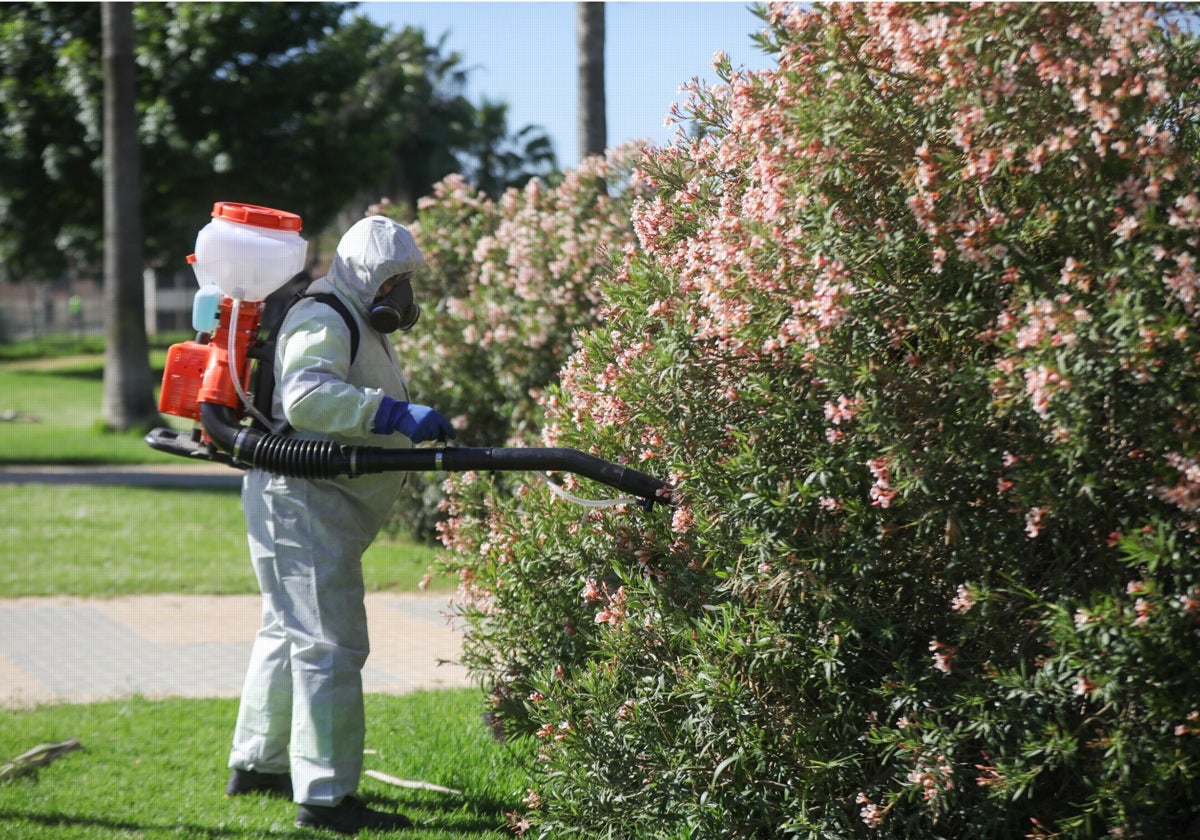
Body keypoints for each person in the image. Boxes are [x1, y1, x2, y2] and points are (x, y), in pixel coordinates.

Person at [225, 215, 454, 834]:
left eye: (404, 280)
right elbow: (305, 400)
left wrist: (399, 417)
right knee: (330, 646)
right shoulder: (325, 316)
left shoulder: (352, 315)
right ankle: (326, 798)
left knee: (287, 632)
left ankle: (258, 762)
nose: (401, 295)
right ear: (365, 275)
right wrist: (391, 414)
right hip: (304, 503)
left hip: (314, 505)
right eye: (393, 280)